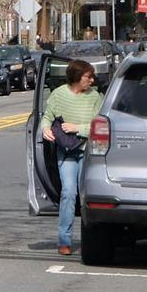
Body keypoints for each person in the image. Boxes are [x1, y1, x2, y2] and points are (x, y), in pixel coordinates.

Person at [41, 58, 102, 256]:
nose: (91, 80)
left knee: (87, 196)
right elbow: (48, 116)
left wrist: (78, 128)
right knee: (68, 193)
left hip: (88, 151)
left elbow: (99, 125)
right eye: (88, 76)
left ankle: (93, 239)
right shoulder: (59, 95)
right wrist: (45, 129)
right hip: (66, 152)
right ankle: (64, 240)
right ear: (76, 77)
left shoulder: (95, 97)